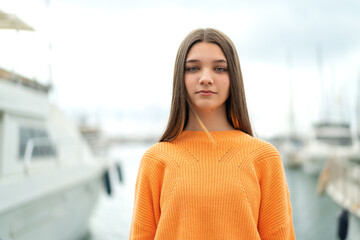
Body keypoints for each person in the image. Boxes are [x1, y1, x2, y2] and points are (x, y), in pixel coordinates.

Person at [129, 28, 296, 239]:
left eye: (219, 68)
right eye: (193, 68)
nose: (205, 78)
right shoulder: (155, 160)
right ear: (180, 78)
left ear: (233, 77)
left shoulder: (264, 157)